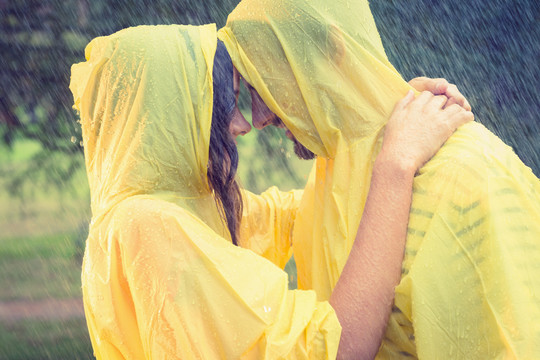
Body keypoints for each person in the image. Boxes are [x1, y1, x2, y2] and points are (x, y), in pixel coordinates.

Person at [69, 24, 472, 359]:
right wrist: (395, 164)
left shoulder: (176, 208)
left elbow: (304, 213)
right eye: (220, 107)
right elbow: (339, 349)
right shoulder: (149, 226)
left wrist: (379, 116)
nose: (243, 125)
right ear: (167, 117)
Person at [218, 0, 540, 358]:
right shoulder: (327, 182)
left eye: (266, 82)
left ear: (335, 52)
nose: (258, 118)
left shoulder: (469, 176)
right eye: (249, 90)